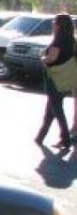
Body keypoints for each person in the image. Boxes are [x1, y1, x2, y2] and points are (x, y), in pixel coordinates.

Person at [35, 14, 76, 150]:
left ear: (59, 25)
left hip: (55, 78)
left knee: (57, 110)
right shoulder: (71, 40)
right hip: (65, 78)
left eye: (54, 22)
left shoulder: (58, 41)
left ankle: (65, 139)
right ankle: (40, 137)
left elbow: (52, 58)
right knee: (50, 109)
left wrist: (42, 58)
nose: (52, 24)